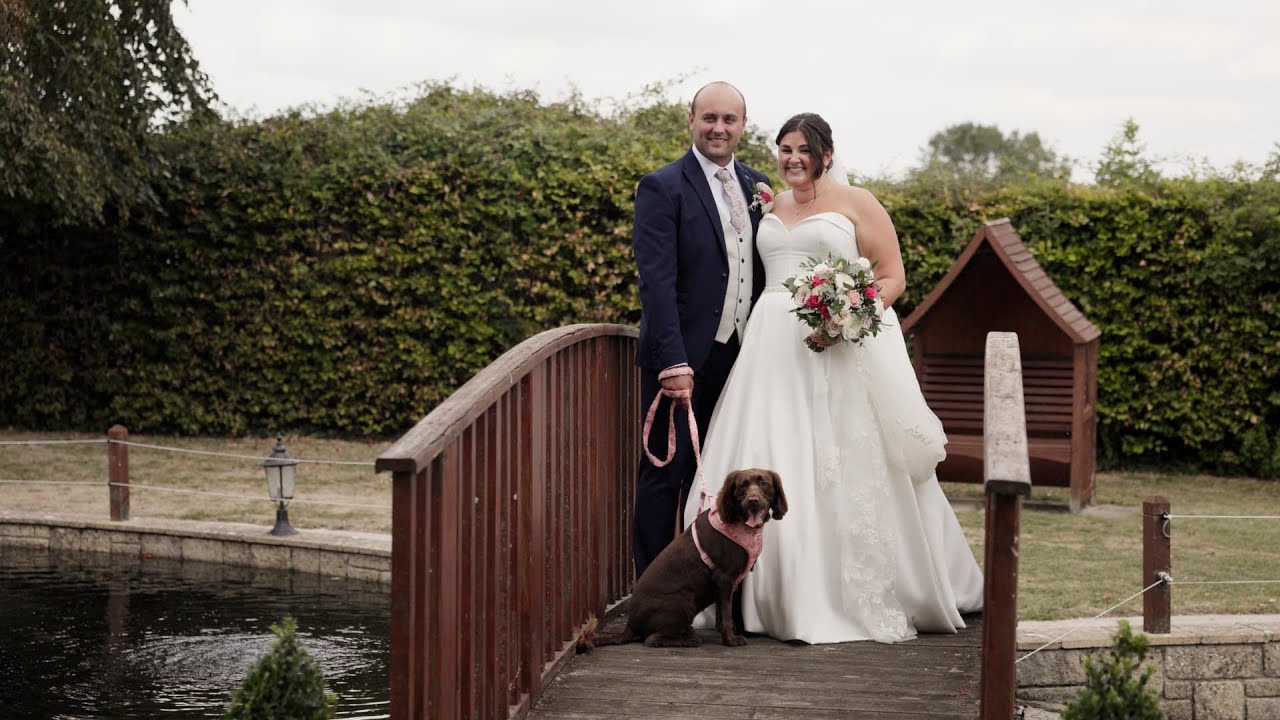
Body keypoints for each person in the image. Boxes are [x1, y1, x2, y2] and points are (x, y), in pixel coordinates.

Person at [683, 112, 983, 644]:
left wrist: (849, 315)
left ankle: (837, 591)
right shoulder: (767, 203)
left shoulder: (857, 203)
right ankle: (750, 589)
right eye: (784, 148)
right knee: (769, 443)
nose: (792, 158)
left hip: (833, 349)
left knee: (842, 463)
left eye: (803, 149)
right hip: (768, 347)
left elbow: (892, 276)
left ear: (826, 153)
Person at [631, 81, 772, 579]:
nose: (718, 128)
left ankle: (707, 584)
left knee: (719, 476)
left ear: (742, 126)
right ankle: (648, 587)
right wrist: (672, 361)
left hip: (740, 357)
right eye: (709, 118)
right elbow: (657, 282)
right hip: (683, 357)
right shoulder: (662, 186)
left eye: (729, 120)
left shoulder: (758, 186)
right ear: (691, 120)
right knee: (665, 474)